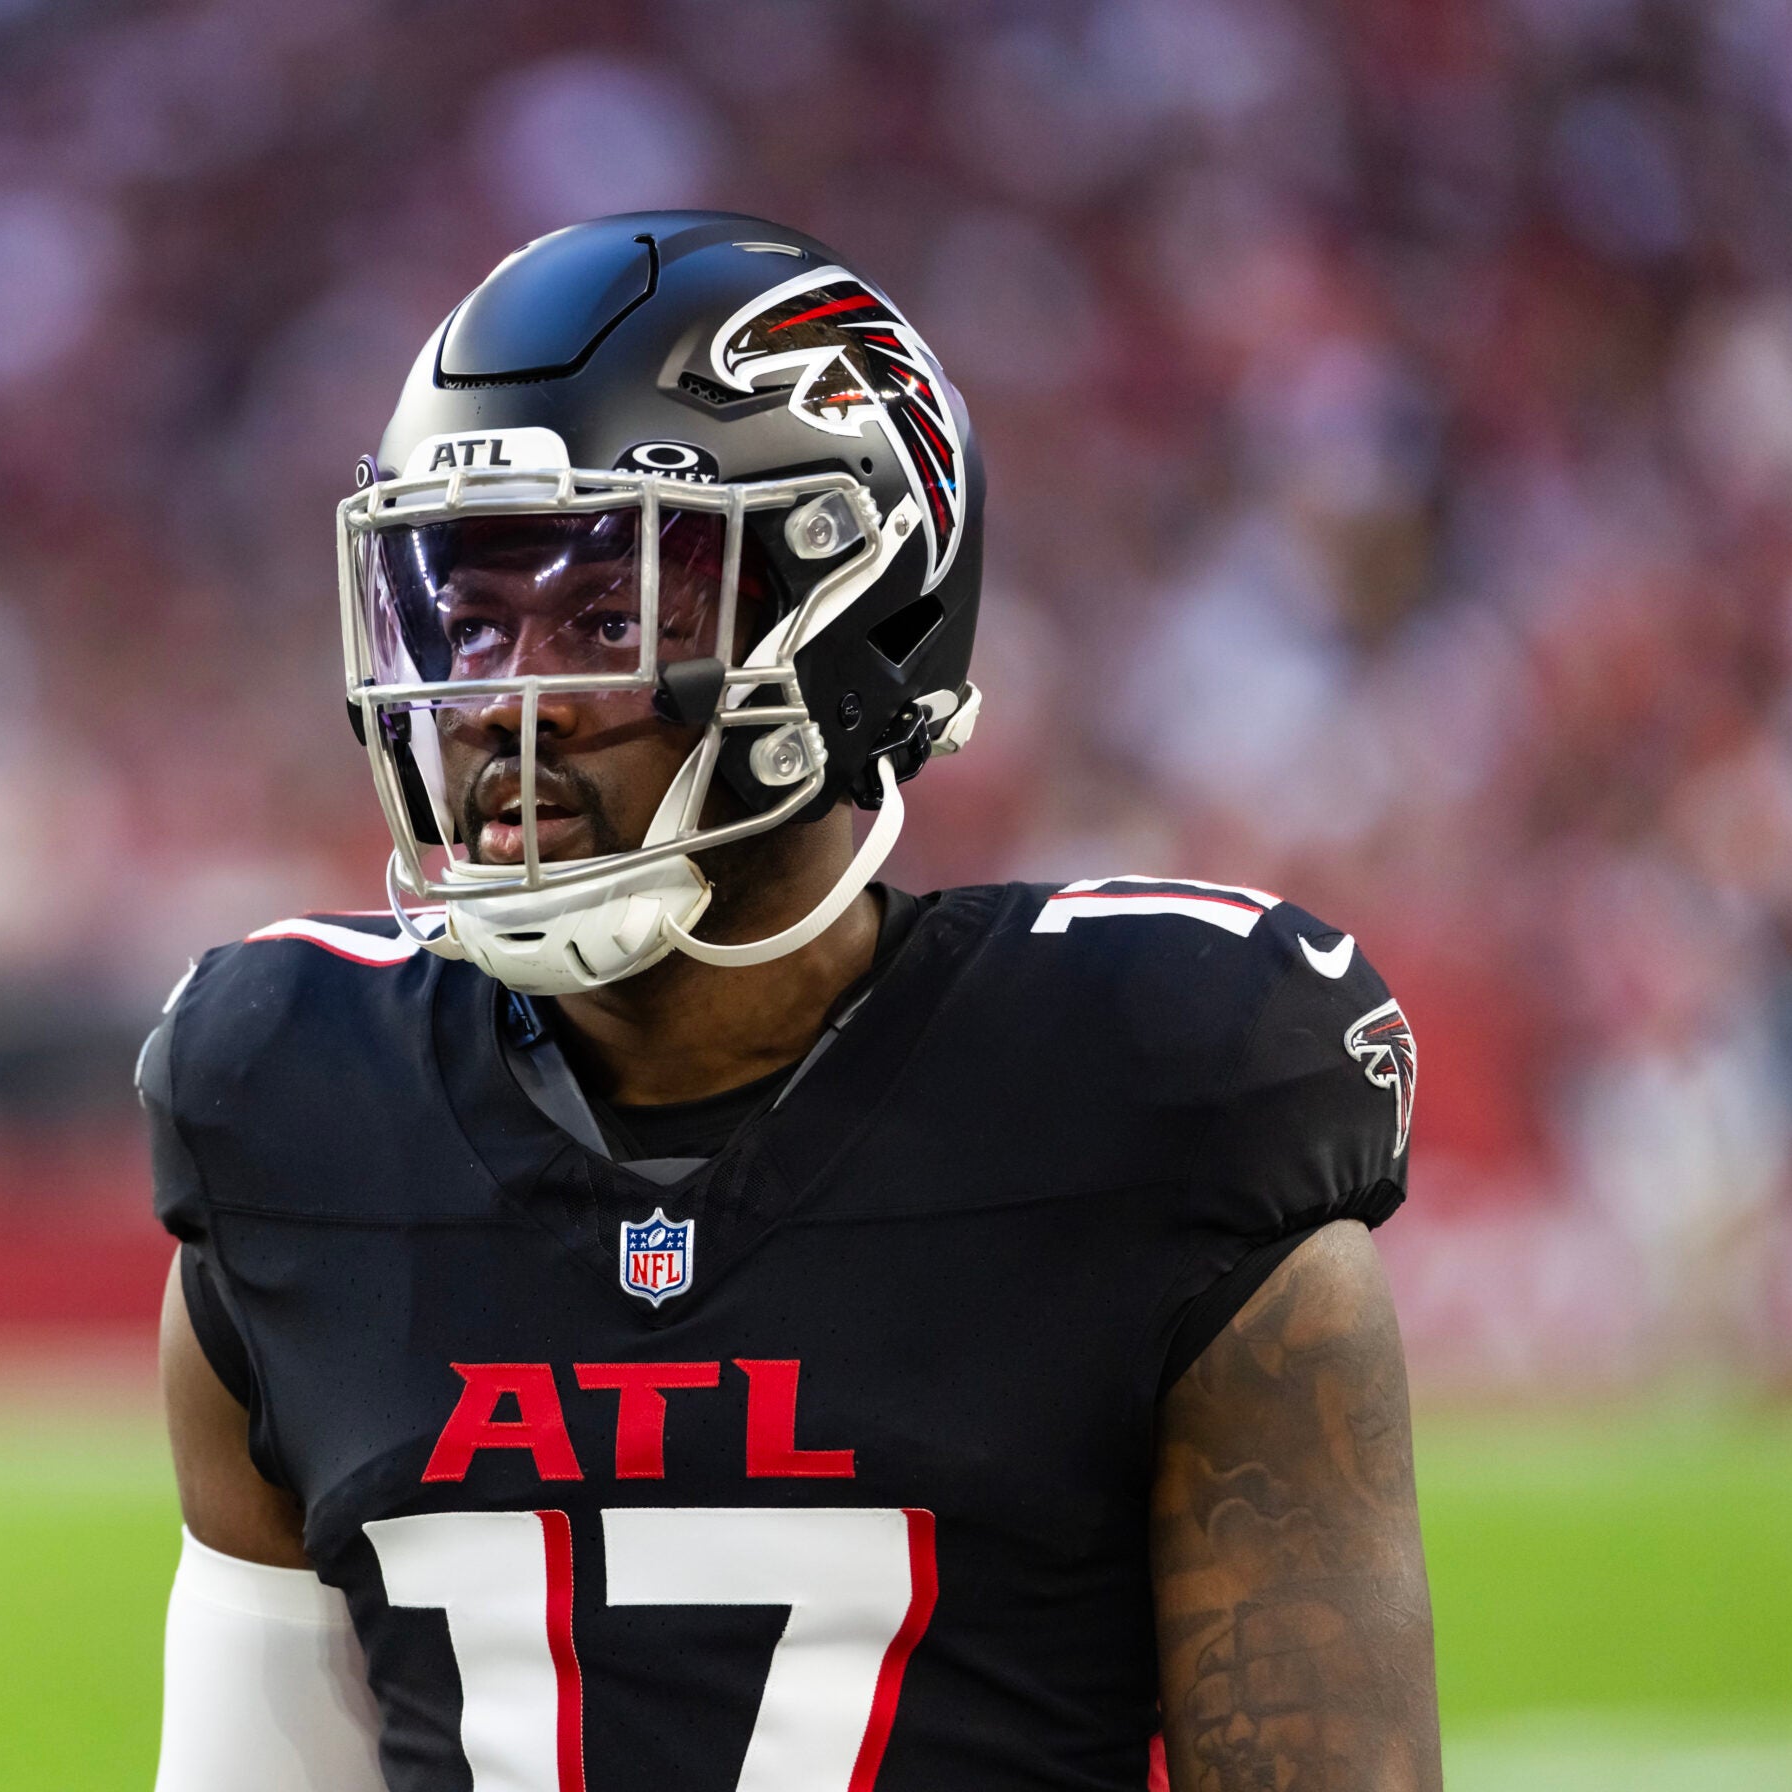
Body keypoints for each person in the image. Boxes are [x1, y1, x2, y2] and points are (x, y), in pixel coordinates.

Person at [146, 212, 1440, 1792]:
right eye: (467, 619)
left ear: (858, 615)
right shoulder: (291, 1115)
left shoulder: (1152, 1095)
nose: (497, 701)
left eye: (606, 618)